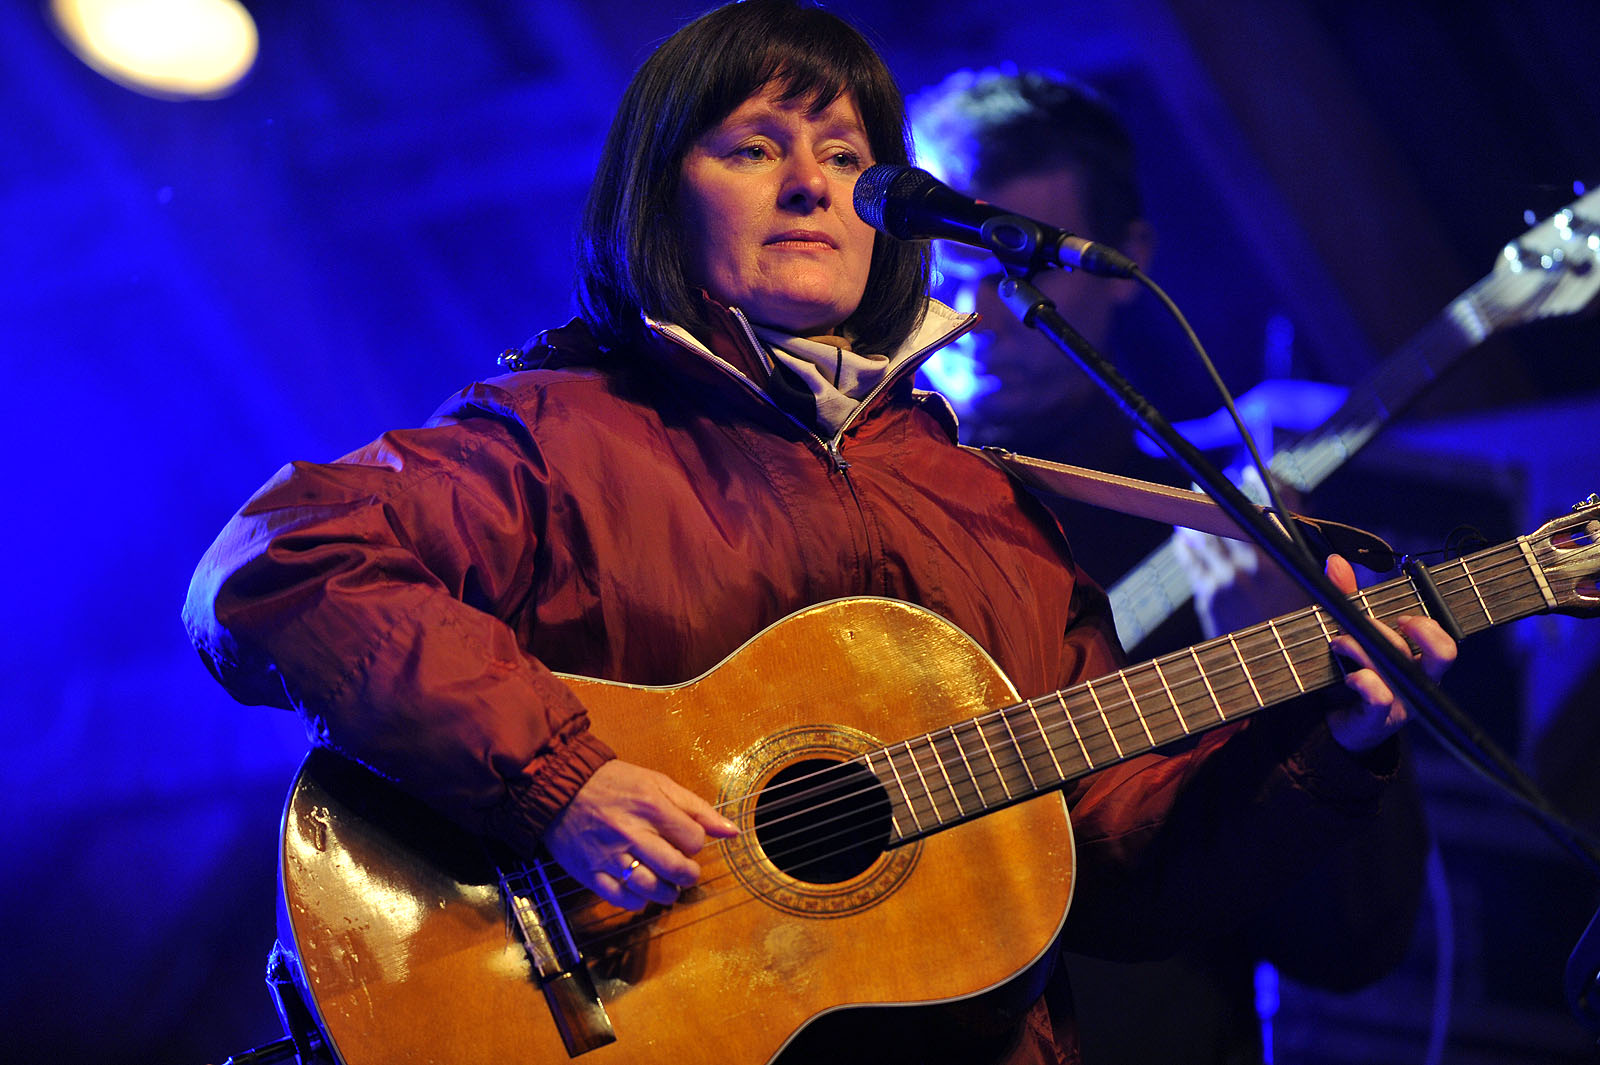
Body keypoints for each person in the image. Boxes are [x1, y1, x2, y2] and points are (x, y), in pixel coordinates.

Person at [183, 4, 1454, 1063]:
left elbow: (1109, 859)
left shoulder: (979, 497)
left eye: (847, 158)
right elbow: (278, 561)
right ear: (659, 195)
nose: (811, 184)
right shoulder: (560, 437)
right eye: (753, 147)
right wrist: (559, 781)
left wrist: (1329, 743)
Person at [911, 67, 1432, 1062]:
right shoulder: (836, 494)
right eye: (943, 256)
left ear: (1125, 259)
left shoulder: (1223, 538)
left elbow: (1353, 944)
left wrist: (1288, 685)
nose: (975, 305)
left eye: (1020, 264)